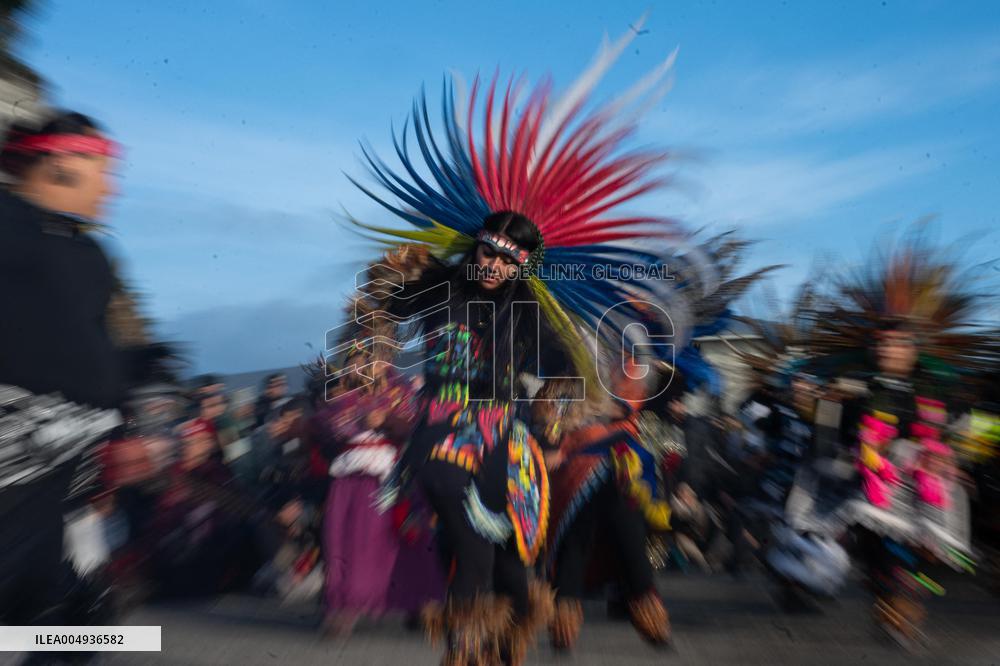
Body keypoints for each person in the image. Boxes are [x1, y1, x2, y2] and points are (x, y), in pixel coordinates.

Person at [335, 28, 682, 665]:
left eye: (510, 259)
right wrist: (382, 289)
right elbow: (381, 309)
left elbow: (568, 372)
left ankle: (510, 627)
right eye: (489, 251)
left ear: (525, 266)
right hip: (442, 430)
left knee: (508, 557)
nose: (495, 265)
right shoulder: (440, 285)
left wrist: (556, 415)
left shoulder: (530, 310)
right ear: (475, 245)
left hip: (508, 438)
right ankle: (467, 645)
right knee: (466, 535)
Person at [0, 110, 126, 628]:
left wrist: (124, 425)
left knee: (79, 621)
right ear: (63, 161)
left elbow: (100, 350)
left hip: (59, 473)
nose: (111, 189)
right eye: (105, 171)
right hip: (15, 460)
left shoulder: (90, 252)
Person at [314, 347, 444, 635]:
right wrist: (354, 421)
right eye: (355, 362)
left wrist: (386, 420)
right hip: (350, 480)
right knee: (346, 542)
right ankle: (344, 605)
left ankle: (418, 602)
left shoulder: (401, 390)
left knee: (402, 541)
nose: (362, 367)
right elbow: (325, 429)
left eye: (369, 361)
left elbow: (416, 426)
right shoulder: (336, 395)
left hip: (392, 478)